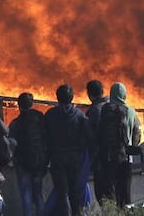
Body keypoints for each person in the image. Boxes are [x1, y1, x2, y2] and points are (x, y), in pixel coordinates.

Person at [44, 84, 92, 216]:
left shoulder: (50, 115)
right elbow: (88, 136)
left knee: (62, 193)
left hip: (57, 158)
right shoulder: (80, 115)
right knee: (75, 192)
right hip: (75, 160)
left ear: (57, 98)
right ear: (72, 98)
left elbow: (45, 136)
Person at [98, 82, 141, 208]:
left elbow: (100, 133)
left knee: (110, 193)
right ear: (124, 95)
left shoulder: (105, 110)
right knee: (125, 194)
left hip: (108, 157)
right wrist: (131, 146)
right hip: (126, 158)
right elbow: (137, 135)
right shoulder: (131, 112)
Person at [9, 92, 47, 216]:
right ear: (32, 103)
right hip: (38, 162)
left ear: (19, 106)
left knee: (26, 196)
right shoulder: (40, 117)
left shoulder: (15, 123)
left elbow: (12, 143)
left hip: (23, 164)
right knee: (38, 195)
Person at [85, 80, 109, 204]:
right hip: (117, 156)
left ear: (89, 94)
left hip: (100, 159)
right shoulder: (113, 106)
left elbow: (89, 136)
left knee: (101, 194)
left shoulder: (94, 111)